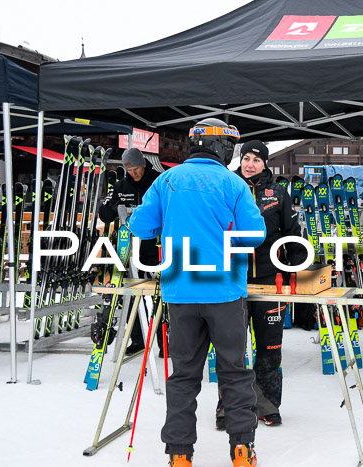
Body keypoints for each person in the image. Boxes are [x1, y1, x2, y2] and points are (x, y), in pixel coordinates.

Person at [129, 118, 266, 467]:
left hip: (181, 292)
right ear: (223, 147)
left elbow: (140, 225)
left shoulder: (167, 180)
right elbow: (254, 235)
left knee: (184, 375)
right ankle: (241, 449)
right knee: (234, 371)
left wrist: (171, 224)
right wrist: (223, 238)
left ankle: (178, 454)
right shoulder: (234, 184)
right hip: (224, 292)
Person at [215, 140, 305, 430]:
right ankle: (228, 407)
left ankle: (267, 405)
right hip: (233, 279)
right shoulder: (227, 188)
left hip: (269, 280)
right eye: (246, 158)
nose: (250, 163)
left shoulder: (277, 193)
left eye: (256, 159)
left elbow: (292, 234)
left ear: (265, 163)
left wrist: (298, 268)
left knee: (269, 346)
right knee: (232, 348)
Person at [99, 147, 165, 357]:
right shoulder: (121, 186)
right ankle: (137, 338)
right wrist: (112, 207)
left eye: (137, 169)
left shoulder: (159, 181)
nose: (134, 174)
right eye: (130, 170)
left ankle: (165, 341)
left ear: (144, 164)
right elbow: (105, 215)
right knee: (131, 295)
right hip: (130, 248)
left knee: (161, 295)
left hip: (156, 246)